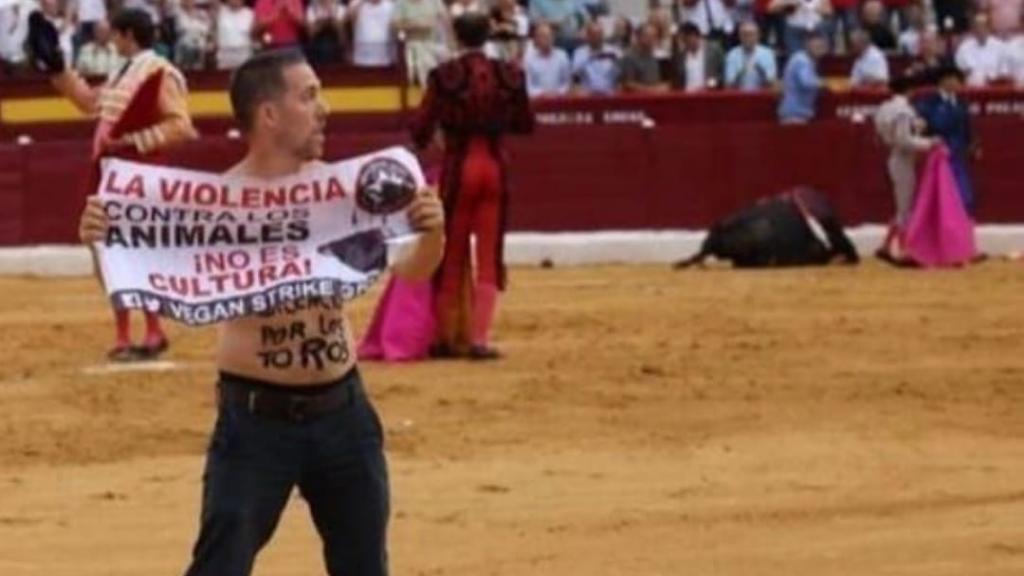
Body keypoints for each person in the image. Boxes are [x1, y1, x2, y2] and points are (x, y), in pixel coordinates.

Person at [79, 48, 445, 575]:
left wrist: (435, 231)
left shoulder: (341, 193)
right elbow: (140, 280)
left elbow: (413, 270)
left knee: (364, 566)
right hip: (255, 424)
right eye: (309, 95)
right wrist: (101, 245)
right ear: (270, 113)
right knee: (220, 566)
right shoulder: (218, 202)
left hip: (344, 414)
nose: (324, 109)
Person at [30, 7, 196, 361]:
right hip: (111, 175)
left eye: (114, 33)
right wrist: (59, 71)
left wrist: (132, 142)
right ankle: (123, 335)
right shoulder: (126, 72)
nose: (109, 38)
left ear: (127, 36)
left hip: (138, 175)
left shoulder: (160, 72)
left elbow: (180, 126)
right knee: (108, 251)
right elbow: (90, 103)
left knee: (138, 250)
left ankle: (153, 331)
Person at [410, 14, 533, 359]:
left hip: (459, 167)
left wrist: (442, 131)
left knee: (452, 251)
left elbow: (419, 129)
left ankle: (445, 338)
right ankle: (478, 339)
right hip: (494, 166)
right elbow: (525, 123)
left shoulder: (444, 76)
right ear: (488, 35)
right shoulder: (509, 75)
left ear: (456, 36)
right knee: (490, 255)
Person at [674, 187, 859, 268]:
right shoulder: (805, 201)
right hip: (790, 235)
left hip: (785, 230)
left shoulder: (791, 200)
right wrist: (847, 253)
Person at [873, 74, 938, 263]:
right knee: (905, 208)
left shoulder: (885, 108)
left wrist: (916, 126)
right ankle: (904, 250)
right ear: (909, 90)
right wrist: (929, 143)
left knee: (902, 206)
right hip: (903, 159)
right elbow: (904, 141)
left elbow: (890, 134)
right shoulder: (903, 110)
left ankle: (886, 246)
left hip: (895, 157)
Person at [914, 63, 977, 215]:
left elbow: (966, 127)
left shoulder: (960, 103)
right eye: (954, 80)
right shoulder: (928, 103)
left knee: (964, 196)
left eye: (958, 80)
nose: (957, 84)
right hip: (938, 156)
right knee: (941, 196)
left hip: (958, 154)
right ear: (944, 81)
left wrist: (972, 144)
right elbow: (930, 127)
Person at [393, 0, 452, 86]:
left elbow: (446, 20)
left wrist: (451, 41)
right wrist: (414, 25)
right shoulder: (401, 3)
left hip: (435, 45)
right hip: (412, 45)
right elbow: (394, 24)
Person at [777, 31, 827, 123]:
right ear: (807, 45)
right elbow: (807, 82)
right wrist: (825, 83)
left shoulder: (809, 60)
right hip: (794, 114)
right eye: (816, 46)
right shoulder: (802, 60)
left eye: (821, 46)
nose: (819, 49)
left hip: (799, 112)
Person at [955, 13, 1010, 87]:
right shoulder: (964, 48)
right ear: (972, 29)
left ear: (989, 28)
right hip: (971, 89)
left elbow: (1004, 72)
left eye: (982, 26)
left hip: (994, 89)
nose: (979, 30)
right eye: (976, 27)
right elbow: (960, 71)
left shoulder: (1001, 47)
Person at [724, 20, 778, 90]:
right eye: (745, 34)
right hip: (738, 97)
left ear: (758, 36)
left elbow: (773, 84)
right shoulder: (732, 54)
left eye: (751, 34)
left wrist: (762, 72)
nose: (748, 38)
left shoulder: (767, 54)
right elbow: (728, 85)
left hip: (761, 96)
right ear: (739, 36)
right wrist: (740, 73)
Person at [571, 20, 621, 94]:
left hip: (610, 94)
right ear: (588, 36)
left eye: (599, 34)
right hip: (588, 96)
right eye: (593, 35)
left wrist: (614, 59)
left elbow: (621, 75)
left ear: (603, 35)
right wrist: (590, 57)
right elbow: (575, 74)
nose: (597, 37)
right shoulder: (580, 52)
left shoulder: (615, 51)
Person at [672, 22, 725, 91]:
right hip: (687, 96)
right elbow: (678, 80)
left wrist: (712, 83)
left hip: (708, 95)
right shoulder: (680, 56)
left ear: (694, 36)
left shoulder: (714, 50)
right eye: (682, 41)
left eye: (685, 40)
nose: (684, 44)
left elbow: (723, 72)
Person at [524, 22, 572, 96]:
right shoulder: (529, 59)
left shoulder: (562, 55)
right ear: (536, 39)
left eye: (549, 36)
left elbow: (567, 83)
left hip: (559, 99)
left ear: (553, 38)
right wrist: (544, 93)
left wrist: (557, 93)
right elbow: (528, 86)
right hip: (538, 101)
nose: (546, 39)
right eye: (542, 36)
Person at [620, 23, 671, 92]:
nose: (651, 39)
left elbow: (668, 82)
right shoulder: (629, 58)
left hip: (658, 99)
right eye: (647, 36)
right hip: (638, 99)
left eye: (654, 36)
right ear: (639, 37)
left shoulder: (661, 57)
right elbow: (629, 84)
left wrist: (664, 87)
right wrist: (651, 90)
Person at [349, 0, 397, 67]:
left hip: (385, 59)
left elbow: (395, 29)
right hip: (362, 59)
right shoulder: (356, 4)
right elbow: (351, 19)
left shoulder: (390, 6)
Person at [214, 0, 256, 70]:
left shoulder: (250, 14)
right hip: (224, 55)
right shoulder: (220, 11)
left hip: (243, 54)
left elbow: (254, 35)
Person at [305, 0, 346, 66]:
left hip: (336, 51)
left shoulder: (340, 8)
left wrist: (333, 20)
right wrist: (322, 23)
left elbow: (342, 38)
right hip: (317, 52)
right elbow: (310, 34)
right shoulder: (312, 8)